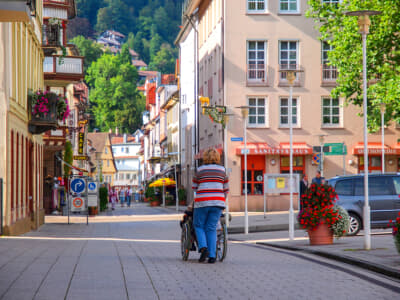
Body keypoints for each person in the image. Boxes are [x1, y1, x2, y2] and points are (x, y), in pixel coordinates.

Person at [192, 148, 229, 264]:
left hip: (202, 202)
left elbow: (194, 187)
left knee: (198, 225)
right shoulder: (223, 170)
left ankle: (203, 248)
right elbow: (226, 189)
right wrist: (221, 200)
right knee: (211, 228)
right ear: (217, 158)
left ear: (205, 158)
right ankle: (212, 256)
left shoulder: (199, 170)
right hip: (218, 202)